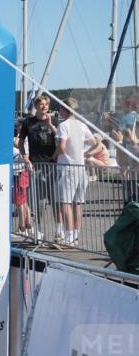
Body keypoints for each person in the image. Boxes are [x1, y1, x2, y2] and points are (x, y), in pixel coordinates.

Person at [55, 98, 99, 246]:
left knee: (65, 202)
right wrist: (85, 154)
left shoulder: (63, 125)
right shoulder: (82, 125)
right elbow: (95, 142)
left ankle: (68, 236)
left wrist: (52, 157)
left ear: (65, 109)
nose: (60, 111)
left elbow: (62, 147)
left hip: (68, 168)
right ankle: (75, 235)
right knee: (78, 203)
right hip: (80, 168)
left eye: (61, 108)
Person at [17, 94, 60, 241]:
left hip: (53, 165)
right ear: (36, 106)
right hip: (36, 165)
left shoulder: (54, 120)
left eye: (46, 104)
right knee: (38, 201)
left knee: (55, 199)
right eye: (41, 104)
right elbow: (21, 142)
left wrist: (51, 125)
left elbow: (61, 140)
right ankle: (39, 229)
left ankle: (58, 230)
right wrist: (24, 156)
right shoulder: (28, 122)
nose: (44, 107)